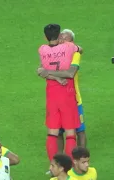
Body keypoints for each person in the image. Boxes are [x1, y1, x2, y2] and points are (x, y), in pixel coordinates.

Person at [37, 24, 81, 161]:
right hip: (67, 92)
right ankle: (69, 166)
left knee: (52, 133)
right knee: (70, 133)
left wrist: (52, 75)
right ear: (59, 35)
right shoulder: (69, 47)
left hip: (51, 94)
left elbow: (41, 71)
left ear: (45, 36)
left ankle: (53, 166)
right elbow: (80, 49)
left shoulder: (42, 49)